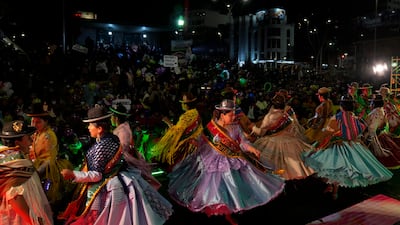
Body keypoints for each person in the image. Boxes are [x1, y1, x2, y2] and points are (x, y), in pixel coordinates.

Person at [168, 99, 285, 225]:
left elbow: (242, 142)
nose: (234, 117)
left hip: (232, 160)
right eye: (231, 115)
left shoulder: (235, 127)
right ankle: (224, 212)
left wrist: (252, 149)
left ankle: (232, 211)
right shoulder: (210, 127)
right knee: (217, 190)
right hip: (212, 162)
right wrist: (193, 144)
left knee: (233, 188)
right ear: (222, 115)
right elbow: (201, 143)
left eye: (234, 114)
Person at [58, 104, 173, 225]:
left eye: (90, 125)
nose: (88, 128)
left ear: (100, 129)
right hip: (119, 177)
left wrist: (73, 174)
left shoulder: (103, 145)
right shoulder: (111, 138)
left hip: (108, 186)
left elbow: (97, 175)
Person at [302, 95, 393, 200]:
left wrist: (322, 139)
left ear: (341, 106)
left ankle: (332, 189)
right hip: (353, 146)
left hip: (338, 146)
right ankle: (333, 190)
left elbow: (328, 131)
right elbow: (360, 130)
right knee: (340, 171)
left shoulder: (338, 117)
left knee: (333, 168)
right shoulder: (355, 118)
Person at [251, 94, 316, 181]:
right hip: (291, 141)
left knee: (273, 166)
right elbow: (295, 127)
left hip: (272, 142)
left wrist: (253, 127)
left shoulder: (270, 116)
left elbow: (261, 133)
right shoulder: (289, 112)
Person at [0, 120, 54, 225]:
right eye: (27, 137)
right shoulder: (16, 163)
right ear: (17, 143)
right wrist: (33, 221)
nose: (31, 140)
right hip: (17, 218)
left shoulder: (7, 157)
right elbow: (15, 197)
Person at [25, 102, 76, 213]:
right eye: (33, 121)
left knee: (47, 195)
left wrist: (38, 172)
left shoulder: (48, 135)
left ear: (46, 122)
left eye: (38, 122)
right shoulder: (35, 134)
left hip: (49, 168)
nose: (34, 124)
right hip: (36, 165)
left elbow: (50, 159)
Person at [110, 103, 161, 190]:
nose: (110, 119)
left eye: (111, 117)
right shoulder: (121, 129)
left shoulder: (123, 131)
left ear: (116, 118)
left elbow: (124, 148)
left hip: (125, 163)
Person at [150, 92, 203, 171]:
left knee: (163, 151)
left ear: (186, 104)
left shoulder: (187, 116)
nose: (181, 105)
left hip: (186, 145)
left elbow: (177, 132)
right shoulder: (196, 113)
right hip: (195, 142)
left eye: (182, 103)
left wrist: (168, 123)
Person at [364, 94, 400, 169]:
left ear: (374, 103)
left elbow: (372, 128)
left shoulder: (376, 112)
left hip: (376, 137)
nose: (370, 104)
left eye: (372, 102)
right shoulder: (381, 110)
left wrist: (368, 140)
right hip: (381, 135)